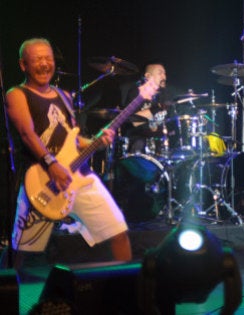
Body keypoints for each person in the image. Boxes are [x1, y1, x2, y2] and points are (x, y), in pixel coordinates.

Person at [3, 38, 156, 268]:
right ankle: (7, 297)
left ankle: (122, 290)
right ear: (23, 65)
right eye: (37, 59)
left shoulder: (64, 96)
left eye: (48, 58)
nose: (44, 64)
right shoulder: (17, 95)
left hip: (78, 176)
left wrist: (97, 141)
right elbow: (27, 134)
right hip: (41, 179)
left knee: (118, 231)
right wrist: (51, 165)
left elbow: (72, 139)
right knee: (21, 252)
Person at [122, 61, 174, 154]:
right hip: (139, 140)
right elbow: (133, 121)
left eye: (164, 73)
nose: (164, 77)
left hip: (161, 141)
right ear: (148, 76)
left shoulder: (166, 95)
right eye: (160, 73)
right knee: (139, 143)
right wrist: (157, 107)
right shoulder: (137, 93)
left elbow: (172, 122)